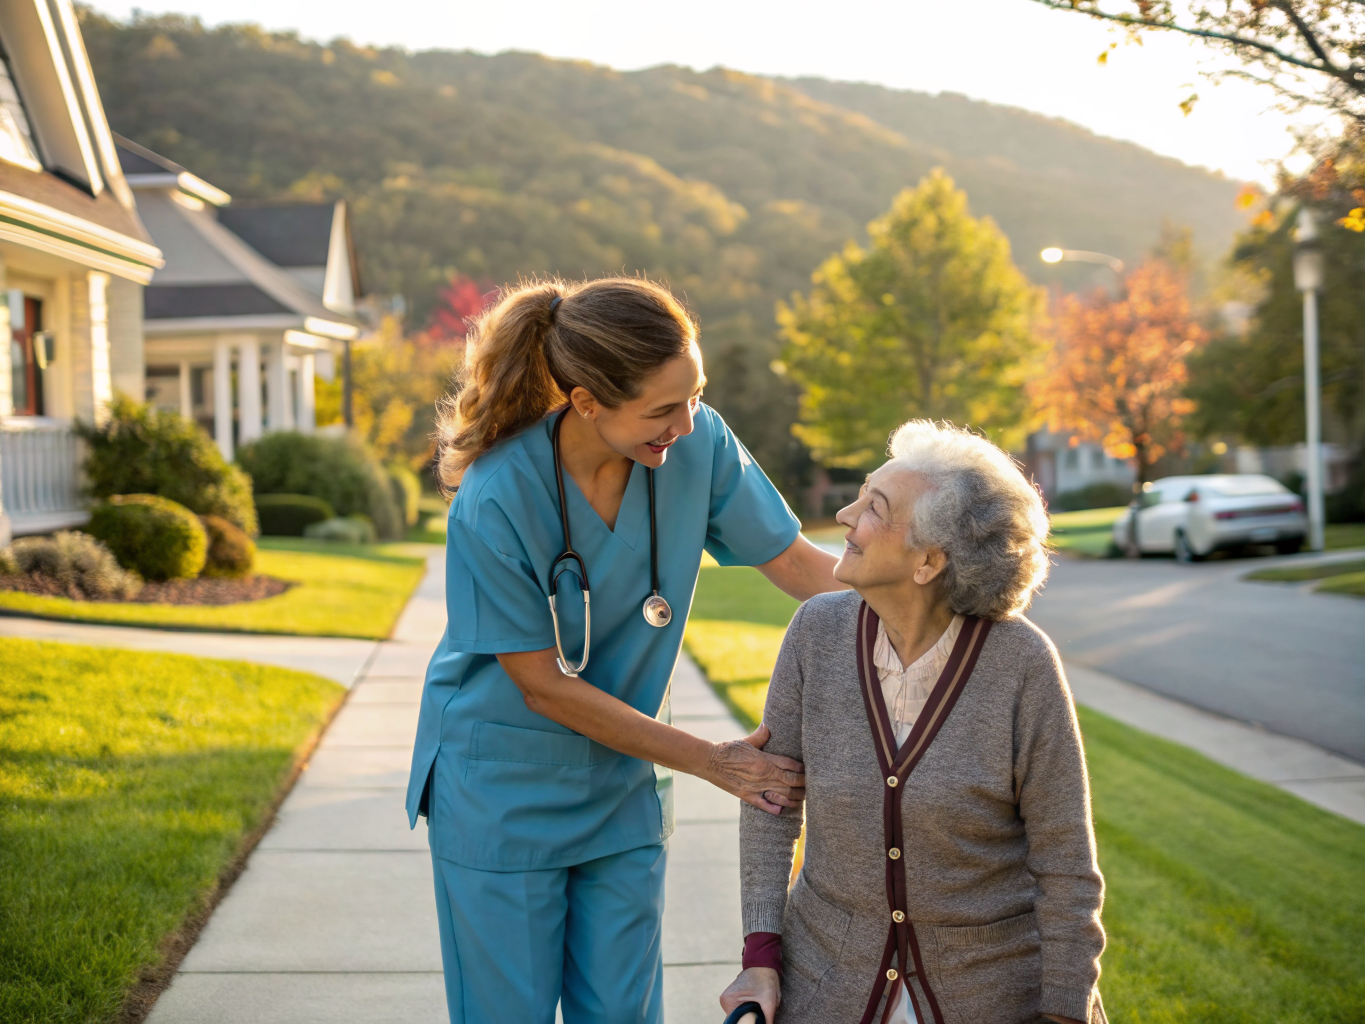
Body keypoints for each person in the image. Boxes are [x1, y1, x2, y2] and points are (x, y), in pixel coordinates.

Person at [406, 276, 843, 1024]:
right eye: (661, 409)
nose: (686, 422)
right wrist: (713, 760)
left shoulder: (695, 444)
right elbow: (540, 686)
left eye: (694, 396)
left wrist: (932, 609)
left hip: (620, 783)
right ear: (585, 403)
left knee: (623, 1013)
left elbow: (803, 567)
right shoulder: (497, 496)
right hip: (500, 788)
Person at [721, 420, 1107, 1024]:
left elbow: (1066, 867)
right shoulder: (816, 633)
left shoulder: (1021, 664)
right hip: (831, 978)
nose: (846, 516)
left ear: (928, 560)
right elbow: (770, 799)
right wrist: (760, 955)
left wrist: (1063, 1010)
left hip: (995, 991)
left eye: (874, 507)